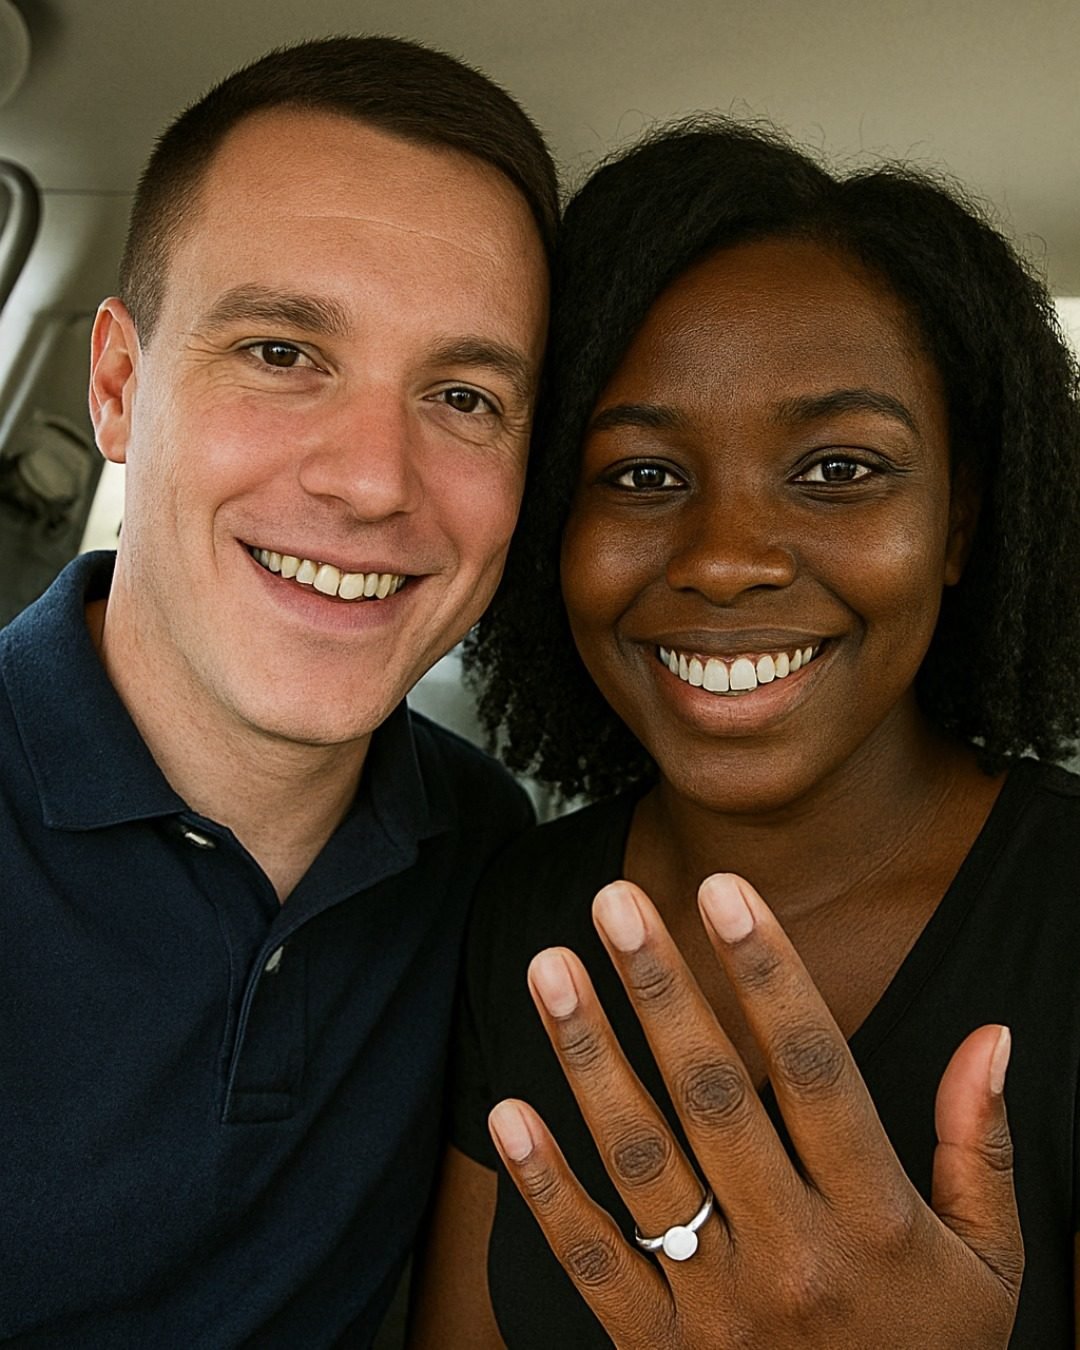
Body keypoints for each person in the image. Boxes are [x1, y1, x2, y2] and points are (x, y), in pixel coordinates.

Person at [411, 120, 1080, 1346]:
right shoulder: (522, 909)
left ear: (959, 523)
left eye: (839, 470)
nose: (725, 560)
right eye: (640, 476)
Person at [0, 35, 556, 1345]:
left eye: (463, 394)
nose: (372, 479)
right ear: (119, 388)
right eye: (281, 352)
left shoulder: (486, 853)